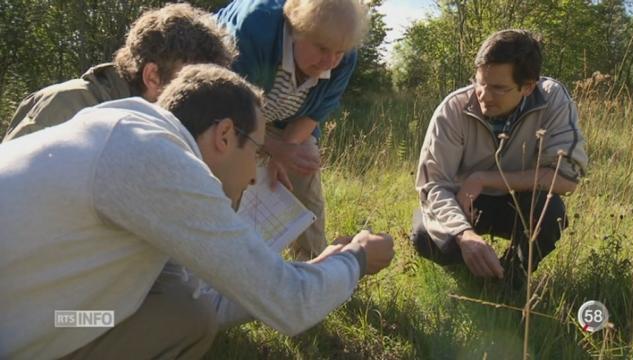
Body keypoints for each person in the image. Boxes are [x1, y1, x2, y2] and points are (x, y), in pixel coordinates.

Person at [0, 64, 394, 359]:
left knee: (186, 315)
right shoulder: (155, 159)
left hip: (45, 318)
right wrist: (357, 259)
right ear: (224, 135)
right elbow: (291, 305)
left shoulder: (127, 133)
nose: (256, 177)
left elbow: (207, 300)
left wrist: (315, 268)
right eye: (258, 152)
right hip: (17, 332)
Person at [410, 30, 588, 288]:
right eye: (479, 82)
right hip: (465, 203)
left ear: (528, 86)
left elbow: (566, 177)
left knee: (551, 214)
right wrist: (464, 234)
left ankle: (511, 278)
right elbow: (433, 186)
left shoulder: (553, 100)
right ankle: (472, 274)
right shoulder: (453, 109)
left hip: (518, 200)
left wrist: (485, 179)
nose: (483, 95)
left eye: (498, 88)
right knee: (424, 236)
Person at [215, 0, 369, 259]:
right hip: (224, 112)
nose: (330, 61)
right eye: (322, 48)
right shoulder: (255, 28)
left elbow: (314, 114)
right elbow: (229, 110)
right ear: (297, 29)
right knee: (232, 179)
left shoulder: (345, 56)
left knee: (304, 163)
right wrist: (276, 149)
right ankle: (223, 264)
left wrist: (286, 152)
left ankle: (313, 270)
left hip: (282, 119)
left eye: (339, 52)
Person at [2, 3, 236, 142]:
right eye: (192, 82)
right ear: (152, 76)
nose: (201, 99)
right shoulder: (66, 106)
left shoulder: (160, 127)